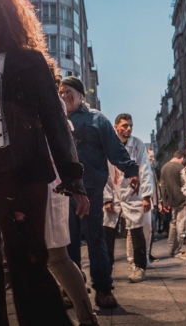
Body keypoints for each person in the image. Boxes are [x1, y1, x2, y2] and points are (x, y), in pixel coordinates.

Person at [0, 0, 88, 326]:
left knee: (27, 259)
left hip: (20, 170)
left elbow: (54, 121)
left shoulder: (28, 61)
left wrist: (73, 178)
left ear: (5, 17)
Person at [59, 78, 140, 308]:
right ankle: (72, 289)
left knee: (95, 238)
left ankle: (103, 289)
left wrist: (131, 171)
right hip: (63, 191)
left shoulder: (98, 119)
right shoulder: (56, 120)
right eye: (61, 92)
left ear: (81, 94)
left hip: (90, 188)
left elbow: (115, 150)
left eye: (69, 92)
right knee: (69, 242)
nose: (63, 96)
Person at [45, 64, 98, 326]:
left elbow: (66, 146)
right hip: (33, 185)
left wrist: (77, 186)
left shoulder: (53, 104)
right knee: (51, 259)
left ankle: (87, 318)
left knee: (57, 258)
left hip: (49, 187)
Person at [103, 114, 154, 283]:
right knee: (107, 231)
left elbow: (145, 170)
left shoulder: (138, 145)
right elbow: (104, 173)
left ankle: (139, 267)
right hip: (114, 190)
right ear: (116, 127)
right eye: (125, 125)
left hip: (133, 193)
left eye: (131, 125)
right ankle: (106, 268)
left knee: (137, 231)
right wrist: (107, 198)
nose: (129, 129)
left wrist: (146, 195)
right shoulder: (107, 144)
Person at [160, 150, 186, 257]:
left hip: (172, 202)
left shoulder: (164, 167)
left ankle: (171, 248)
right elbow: (185, 184)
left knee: (173, 224)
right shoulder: (180, 168)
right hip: (182, 200)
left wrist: (165, 202)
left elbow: (163, 186)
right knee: (181, 225)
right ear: (182, 158)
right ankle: (178, 249)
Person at [146, 147, 162, 262]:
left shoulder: (151, 168)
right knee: (148, 230)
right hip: (148, 204)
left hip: (154, 203)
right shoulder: (144, 168)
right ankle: (146, 255)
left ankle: (148, 253)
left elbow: (156, 186)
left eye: (153, 155)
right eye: (150, 155)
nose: (152, 157)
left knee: (152, 230)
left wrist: (159, 201)